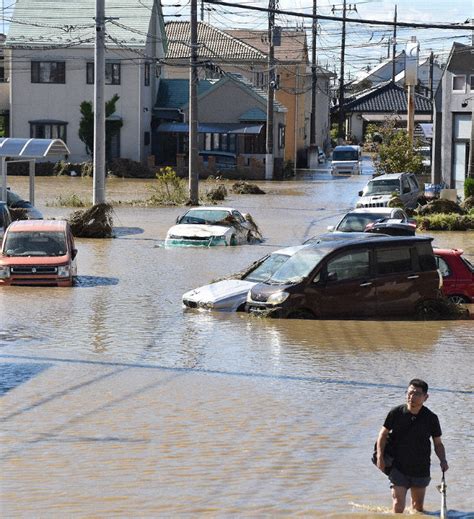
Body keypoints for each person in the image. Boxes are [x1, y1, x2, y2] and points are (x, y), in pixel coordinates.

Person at [376, 378, 449, 513]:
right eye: (409, 393)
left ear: (425, 397)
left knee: (417, 508)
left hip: (420, 467)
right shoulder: (396, 413)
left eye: (416, 394)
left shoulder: (431, 418)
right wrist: (380, 457)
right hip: (398, 466)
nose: (411, 397)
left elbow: (438, 444)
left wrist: (443, 460)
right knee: (398, 505)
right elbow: (382, 434)